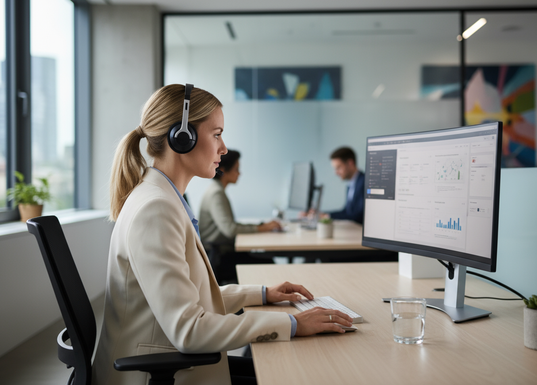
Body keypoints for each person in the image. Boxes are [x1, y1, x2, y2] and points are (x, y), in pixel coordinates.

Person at [92, 84, 353, 385]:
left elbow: (195, 296)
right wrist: (291, 323)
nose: (224, 148)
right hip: (154, 374)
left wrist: (264, 294)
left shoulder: (161, 198)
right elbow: (189, 330)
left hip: (166, 362)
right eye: (216, 134)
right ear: (182, 137)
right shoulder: (156, 210)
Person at [199, 149, 281, 284]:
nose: (239, 173)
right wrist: (262, 228)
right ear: (224, 170)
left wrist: (261, 226)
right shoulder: (216, 193)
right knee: (267, 262)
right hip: (219, 257)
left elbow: (231, 225)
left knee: (266, 259)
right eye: (237, 169)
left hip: (221, 251)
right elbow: (230, 229)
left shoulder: (217, 190)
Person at [324, 146, 365, 224]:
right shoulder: (351, 184)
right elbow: (346, 211)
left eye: (338, 167)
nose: (336, 173)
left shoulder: (364, 182)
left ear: (350, 163)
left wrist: (328, 217)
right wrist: (325, 215)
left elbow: (359, 215)